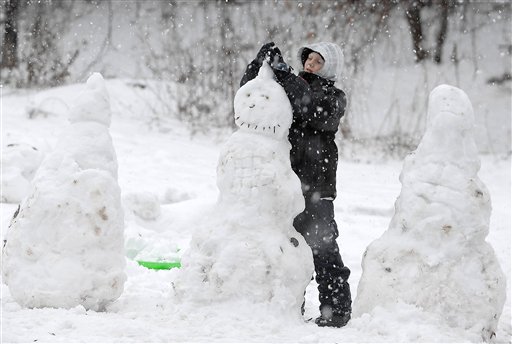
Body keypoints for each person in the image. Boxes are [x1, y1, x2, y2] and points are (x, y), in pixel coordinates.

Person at [240, 42, 352, 328]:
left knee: (322, 247)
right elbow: (250, 94)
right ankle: (290, 305)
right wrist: (259, 65)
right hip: (284, 183)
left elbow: (311, 110)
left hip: (316, 187)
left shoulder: (333, 97)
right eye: (309, 59)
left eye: (318, 61)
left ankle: (335, 310)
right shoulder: (290, 86)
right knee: (285, 246)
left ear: (329, 68)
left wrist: (287, 76)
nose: (310, 64)